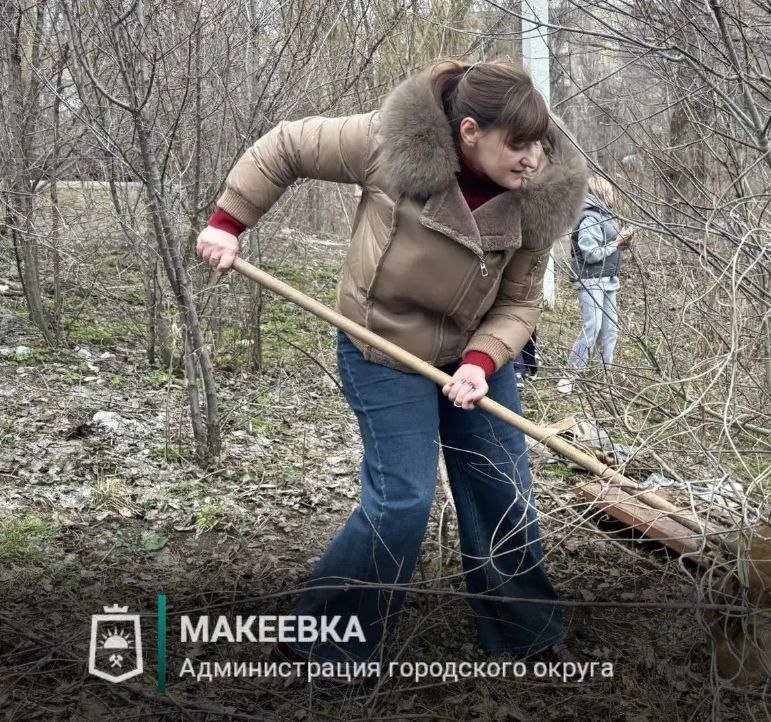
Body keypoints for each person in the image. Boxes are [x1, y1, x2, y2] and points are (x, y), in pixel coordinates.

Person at [195, 60, 590, 679]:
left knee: (501, 485)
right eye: (516, 144)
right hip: (382, 345)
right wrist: (228, 222)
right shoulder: (389, 142)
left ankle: (525, 632)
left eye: (539, 142)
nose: (532, 158)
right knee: (403, 499)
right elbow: (288, 146)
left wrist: (484, 362)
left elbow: (519, 302)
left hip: (475, 355)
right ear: (467, 132)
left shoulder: (540, 196)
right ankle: (321, 642)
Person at [558, 176, 635, 394]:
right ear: (601, 193)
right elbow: (591, 254)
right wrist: (616, 242)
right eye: (610, 191)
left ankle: (605, 381)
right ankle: (568, 376)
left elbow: (608, 246)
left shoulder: (605, 216)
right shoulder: (591, 217)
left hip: (608, 279)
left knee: (610, 330)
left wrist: (623, 242)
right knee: (592, 328)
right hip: (591, 280)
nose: (613, 195)